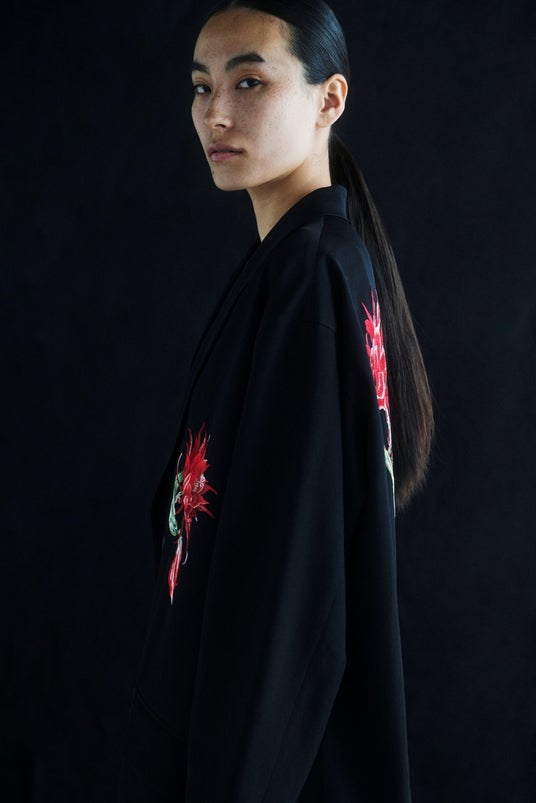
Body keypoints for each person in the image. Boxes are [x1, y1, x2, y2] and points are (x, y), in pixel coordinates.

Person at [118, 1, 434, 800]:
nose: (215, 113)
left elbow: (289, 584)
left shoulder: (311, 276)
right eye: (202, 86)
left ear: (330, 98)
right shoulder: (298, 262)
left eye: (249, 82)